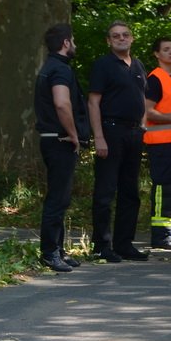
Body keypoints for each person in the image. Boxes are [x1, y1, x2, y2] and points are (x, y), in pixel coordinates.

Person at [88, 21, 150, 262]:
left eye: (125, 35)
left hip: (134, 133)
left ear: (132, 38)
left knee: (130, 191)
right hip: (111, 131)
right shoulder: (103, 65)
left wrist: (143, 126)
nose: (121, 39)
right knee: (105, 191)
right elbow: (94, 102)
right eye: (116, 36)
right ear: (109, 41)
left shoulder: (138, 65)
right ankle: (101, 245)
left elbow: (142, 98)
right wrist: (99, 137)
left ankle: (124, 243)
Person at [34, 23, 90, 272]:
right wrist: (74, 134)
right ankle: (49, 253)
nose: (74, 44)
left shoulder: (51, 67)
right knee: (57, 198)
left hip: (52, 138)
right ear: (66, 43)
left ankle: (58, 250)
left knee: (61, 197)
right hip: (59, 140)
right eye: (73, 40)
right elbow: (62, 104)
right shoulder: (60, 70)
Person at [144, 37, 171, 249]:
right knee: (163, 187)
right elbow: (147, 111)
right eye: (166, 50)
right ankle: (160, 234)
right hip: (160, 142)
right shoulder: (155, 78)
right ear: (157, 54)